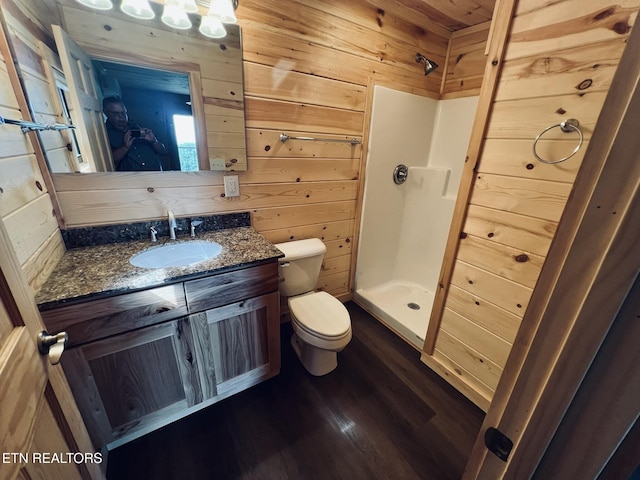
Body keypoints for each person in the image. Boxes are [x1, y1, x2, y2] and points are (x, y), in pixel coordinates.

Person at [103, 96, 166, 171]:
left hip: (156, 176)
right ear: (106, 113)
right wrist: (124, 147)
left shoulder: (138, 126)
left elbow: (162, 150)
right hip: (131, 180)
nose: (121, 117)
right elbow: (107, 162)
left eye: (123, 113)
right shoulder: (104, 134)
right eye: (116, 113)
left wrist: (154, 141)